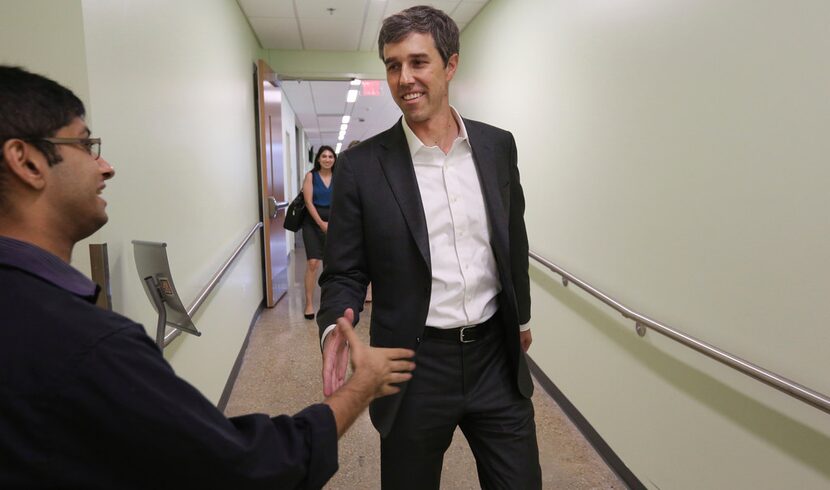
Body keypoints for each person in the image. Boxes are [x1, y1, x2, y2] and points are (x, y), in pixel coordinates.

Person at [0, 65, 415, 489]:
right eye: (87, 145)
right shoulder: (83, 342)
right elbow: (251, 467)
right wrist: (362, 386)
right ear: (27, 161)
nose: (105, 167)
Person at [317, 6, 541, 489]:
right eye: (393, 65)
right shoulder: (362, 168)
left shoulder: (497, 147)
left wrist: (520, 317)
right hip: (410, 365)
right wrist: (336, 328)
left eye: (418, 62)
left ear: (450, 65)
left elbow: (513, 239)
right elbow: (344, 273)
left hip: (494, 360)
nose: (404, 78)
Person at [301, 145, 336, 319]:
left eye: (331, 156)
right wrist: (322, 223)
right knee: (313, 263)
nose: (327, 159)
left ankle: (328, 302)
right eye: (324, 156)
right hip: (313, 222)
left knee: (331, 264)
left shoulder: (339, 176)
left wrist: (333, 222)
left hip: (335, 221)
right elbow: (308, 203)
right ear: (318, 159)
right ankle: (308, 303)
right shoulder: (311, 176)